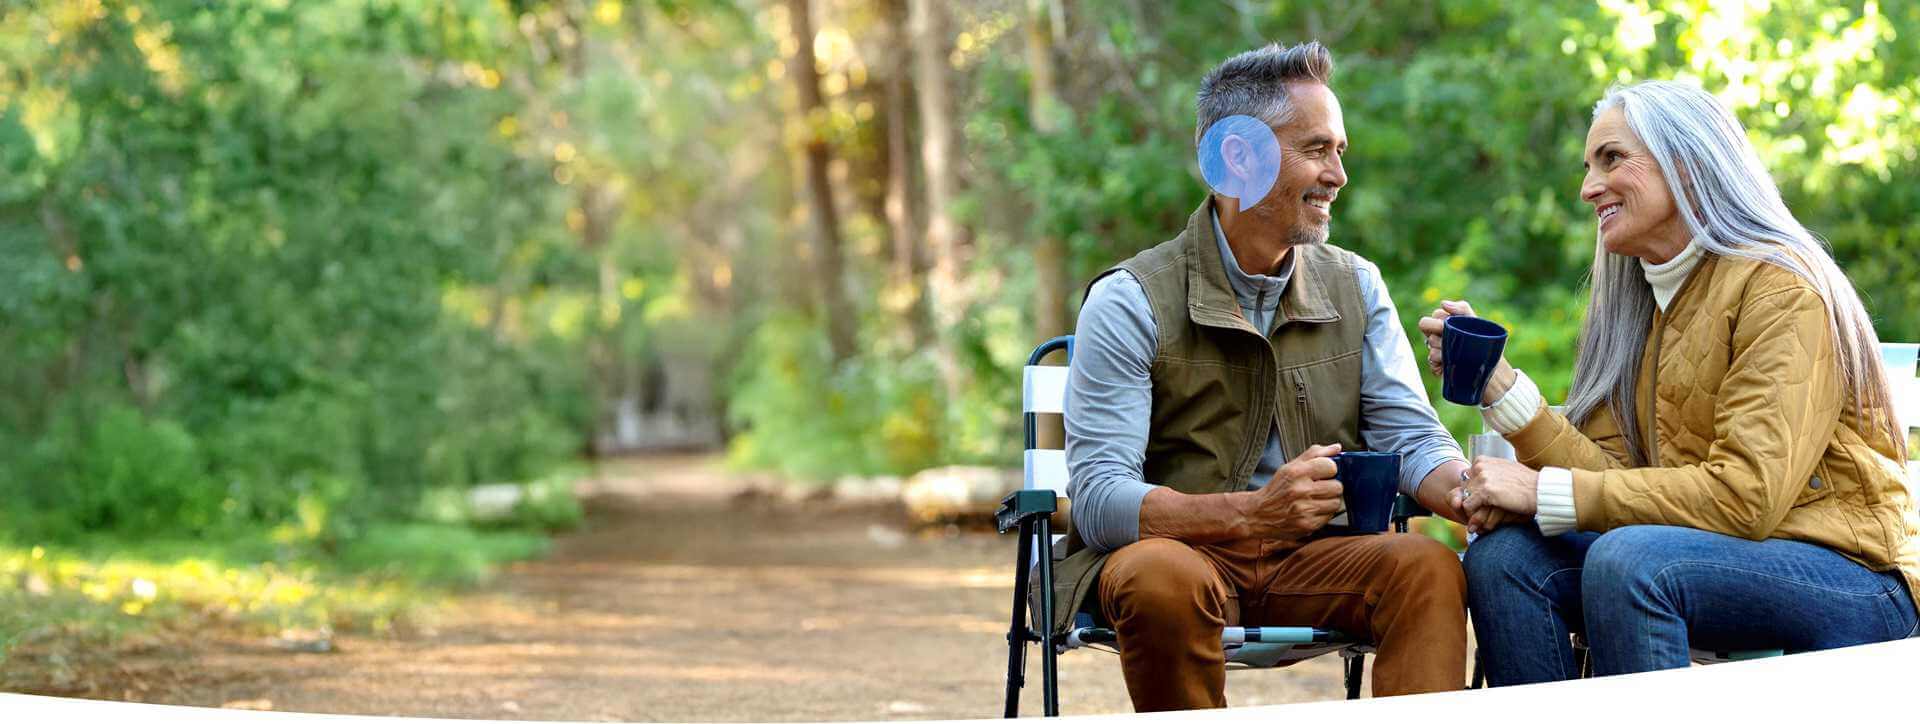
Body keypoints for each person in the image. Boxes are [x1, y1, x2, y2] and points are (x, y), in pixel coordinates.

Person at [1419, 80, 1920, 684]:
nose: (1588, 187)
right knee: (1505, 559)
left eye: (1612, 158)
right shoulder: (1639, 309)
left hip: (1855, 577)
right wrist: (1500, 387)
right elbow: (1613, 477)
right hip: (1706, 555)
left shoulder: (1781, 289)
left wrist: (1543, 492)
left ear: (1686, 163)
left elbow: (1745, 497)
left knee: (1630, 560)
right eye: (1587, 167)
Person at [1059, 41, 1471, 710]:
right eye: (1317, 149)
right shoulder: (1131, 298)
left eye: (1340, 151)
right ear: (1239, 158)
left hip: (1315, 561)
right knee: (1158, 578)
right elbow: (1100, 500)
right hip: (1183, 554)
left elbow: (1411, 439)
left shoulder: (1357, 285)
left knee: (1426, 567)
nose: (1338, 174)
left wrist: (1469, 493)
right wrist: (1251, 514)